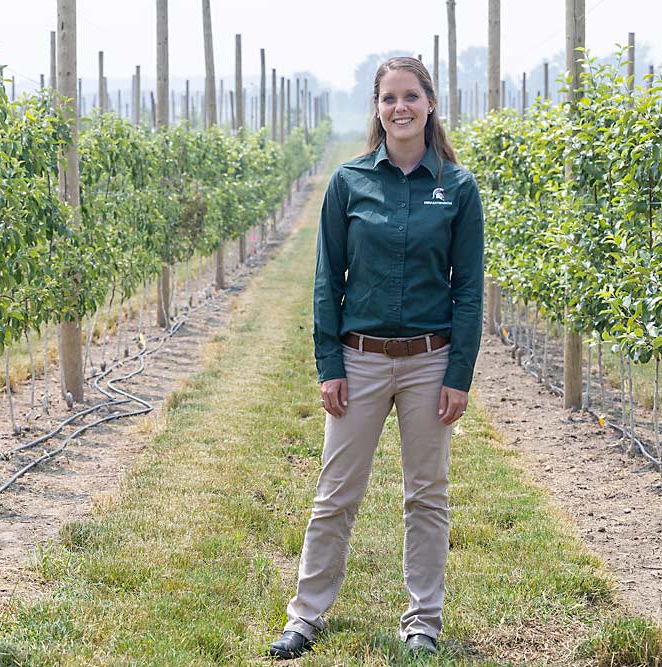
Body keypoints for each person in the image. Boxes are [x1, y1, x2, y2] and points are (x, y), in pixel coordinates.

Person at [269, 56, 484, 660]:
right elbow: (324, 280)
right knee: (336, 492)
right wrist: (329, 364)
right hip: (359, 359)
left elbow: (468, 289)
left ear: (431, 103)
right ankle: (306, 617)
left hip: (428, 362)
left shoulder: (458, 188)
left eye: (410, 96)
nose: (400, 108)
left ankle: (423, 620)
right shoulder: (349, 182)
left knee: (427, 495)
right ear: (377, 107)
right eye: (389, 98)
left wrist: (458, 373)